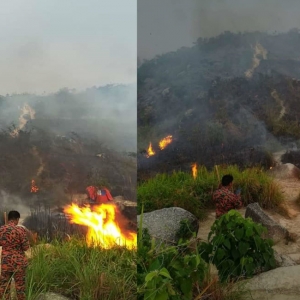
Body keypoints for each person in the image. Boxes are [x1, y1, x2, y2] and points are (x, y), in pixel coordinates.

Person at [0, 211, 30, 300]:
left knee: (4, 287)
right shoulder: (20, 230)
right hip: (19, 263)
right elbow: (26, 247)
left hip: (5, 263)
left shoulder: (1, 229)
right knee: (20, 288)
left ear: (9, 218)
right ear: (17, 219)